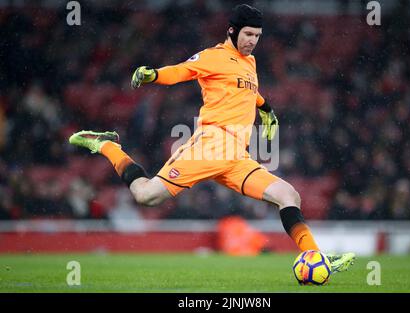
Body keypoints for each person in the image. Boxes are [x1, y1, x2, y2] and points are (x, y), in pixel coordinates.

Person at [69, 4, 354, 272]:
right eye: (248, 34)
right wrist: (153, 75)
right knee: (146, 195)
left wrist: (266, 109)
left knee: (288, 195)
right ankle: (106, 145)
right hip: (211, 146)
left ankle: (316, 257)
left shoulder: (249, 62)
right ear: (232, 30)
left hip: (237, 157)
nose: (253, 41)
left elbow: (247, 91)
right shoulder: (213, 57)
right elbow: (182, 71)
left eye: (257, 35)